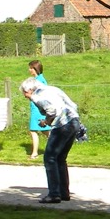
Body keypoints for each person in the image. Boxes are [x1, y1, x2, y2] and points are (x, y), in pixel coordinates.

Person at [21, 76, 81, 204]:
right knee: (60, 158)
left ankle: (54, 194)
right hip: (74, 121)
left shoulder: (37, 96)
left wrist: (47, 122)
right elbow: (73, 104)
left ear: (30, 90)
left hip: (62, 125)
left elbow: (51, 110)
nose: (25, 96)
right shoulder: (53, 89)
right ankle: (64, 193)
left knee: (50, 158)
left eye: (25, 93)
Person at [26, 59, 51, 158]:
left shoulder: (39, 80)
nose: (29, 70)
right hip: (36, 107)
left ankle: (35, 153)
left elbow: (42, 94)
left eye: (31, 68)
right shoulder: (39, 79)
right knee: (45, 130)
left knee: (33, 130)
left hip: (38, 108)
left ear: (35, 69)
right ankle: (55, 147)